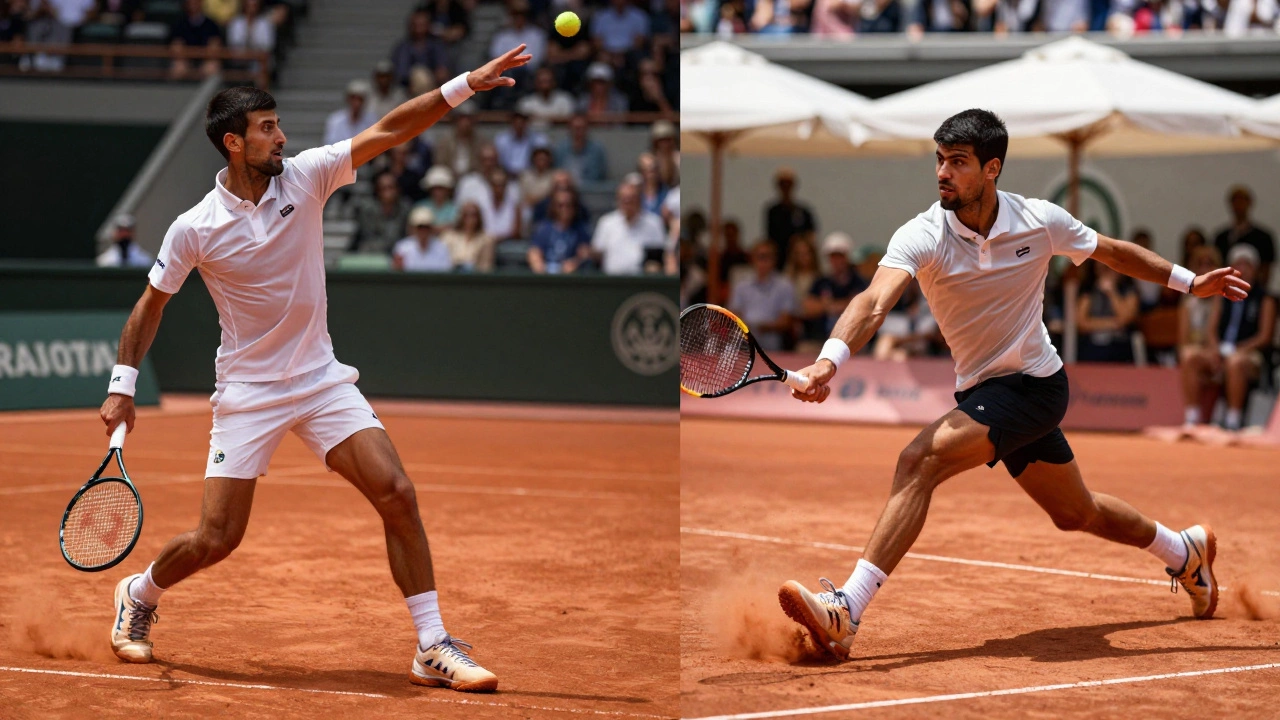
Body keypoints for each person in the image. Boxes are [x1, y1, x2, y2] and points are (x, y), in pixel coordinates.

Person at [98, 45, 530, 690]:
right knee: (217, 538)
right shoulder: (194, 227)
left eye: (278, 125)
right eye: (267, 128)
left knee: (397, 493)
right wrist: (122, 386)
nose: (282, 137)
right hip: (247, 392)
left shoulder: (306, 175)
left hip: (321, 380)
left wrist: (465, 84)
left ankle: (432, 644)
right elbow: (150, 304)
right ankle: (140, 594)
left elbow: (389, 129)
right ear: (233, 144)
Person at [778, 109, 1247, 661]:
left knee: (917, 461)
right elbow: (874, 301)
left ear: (991, 168)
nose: (943, 173)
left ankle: (845, 610)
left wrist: (1189, 282)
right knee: (1077, 514)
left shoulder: (1038, 219)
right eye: (939, 160)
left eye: (958, 162)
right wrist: (828, 361)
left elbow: (1111, 251)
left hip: (1034, 386)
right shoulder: (923, 233)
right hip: (981, 391)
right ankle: (1184, 549)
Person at [1182, 244, 1276, 431]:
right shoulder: (1221, 294)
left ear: (1255, 268)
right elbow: (1211, 330)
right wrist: (1216, 350)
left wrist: (1238, 350)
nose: (1241, 269)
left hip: (1250, 355)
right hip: (1221, 351)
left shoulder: (1265, 299)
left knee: (1234, 362)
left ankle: (1233, 420)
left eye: (1246, 264)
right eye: (1237, 264)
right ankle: (1191, 418)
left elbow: (1265, 337)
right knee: (1190, 356)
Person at [1178, 245, 1223, 427]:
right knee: (1188, 355)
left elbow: (1213, 332)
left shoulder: (1223, 296)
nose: (1205, 268)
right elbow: (1183, 340)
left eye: (1209, 264)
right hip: (1199, 352)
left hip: (1220, 351)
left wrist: (1214, 353)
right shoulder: (1187, 302)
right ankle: (1191, 415)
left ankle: (1230, 416)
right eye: (1200, 264)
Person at [729, 242, 796, 352]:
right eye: (760, 257)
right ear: (752, 259)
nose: (763, 262)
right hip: (744, 339)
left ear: (774, 260)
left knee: (772, 341)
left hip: (773, 339)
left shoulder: (785, 285)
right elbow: (734, 315)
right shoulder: (741, 285)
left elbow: (786, 321)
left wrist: (762, 327)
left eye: (767, 257)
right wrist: (749, 328)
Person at [591, 181, 666, 275]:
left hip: (643, 281)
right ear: (617, 201)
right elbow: (597, 253)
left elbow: (661, 255)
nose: (627, 204)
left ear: (639, 200)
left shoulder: (654, 223)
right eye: (624, 200)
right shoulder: (606, 223)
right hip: (612, 280)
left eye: (631, 200)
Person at [803, 232, 867, 338]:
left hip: (851, 338)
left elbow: (860, 309)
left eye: (840, 256)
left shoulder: (859, 282)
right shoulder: (821, 281)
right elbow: (808, 308)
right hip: (819, 338)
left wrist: (827, 305)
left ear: (848, 256)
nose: (837, 261)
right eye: (833, 256)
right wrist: (841, 305)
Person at [1076, 260, 1140, 363]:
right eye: (1103, 267)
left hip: (1120, 345)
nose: (1108, 270)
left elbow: (1125, 318)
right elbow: (1081, 323)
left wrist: (1112, 292)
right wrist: (1113, 324)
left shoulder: (1128, 288)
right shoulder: (1088, 289)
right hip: (1091, 345)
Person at [1213, 185, 1275, 287]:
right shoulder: (1221, 238)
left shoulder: (1263, 238)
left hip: (1255, 292)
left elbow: (1266, 270)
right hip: (1226, 290)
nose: (1239, 205)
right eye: (1235, 201)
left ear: (1249, 203)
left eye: (1242, 200)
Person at [765, 167, 817, 271]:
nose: (786, 187)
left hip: (801, 263)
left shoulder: (803, 211)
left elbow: (811, 237)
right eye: (783, 184)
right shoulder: (772, 212)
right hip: (779, 263)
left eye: (788, 184)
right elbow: (770, 239)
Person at [528, 188, 591, 273]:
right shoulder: (544, 228)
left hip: (571, 279)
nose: (564, 209)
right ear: (554, 207)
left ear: (574, 207)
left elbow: (585, 253)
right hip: (546, 275)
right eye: (560, 205)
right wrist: (538, 264)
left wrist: (575, 262)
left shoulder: (580, 229)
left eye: (568, 205)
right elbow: (534, 251)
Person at [352, 171, 412, 255]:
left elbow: (406, 236)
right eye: (383, 188)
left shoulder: (405, 209)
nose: (388, 192)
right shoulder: (368, 210)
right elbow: (368, 236)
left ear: (397, 189)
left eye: (391, 187)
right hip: (374, 252)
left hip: (399, 251)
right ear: (378, 191)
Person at [390, 8, 450, 90]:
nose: (418, 30)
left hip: (433, 87)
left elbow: (442, 70)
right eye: (415, 25)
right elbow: (401, 74)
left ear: (428, 26)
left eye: (422, 25)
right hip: (407, 92)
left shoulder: (436, 45)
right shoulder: (403, 48)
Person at [170, 0, 222, 79]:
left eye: (195, 2)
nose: (193, 4)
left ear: (201, 3)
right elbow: (176, 47)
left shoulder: (211, 25)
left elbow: (214, 47)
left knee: (211, 67)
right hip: (185, 60)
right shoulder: (179, 24)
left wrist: (199, 54)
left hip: (206, 60)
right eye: (190, 2)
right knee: (178, 67)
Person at [554, 113, 608, 187]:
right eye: (575, 128)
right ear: (569, 129)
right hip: (565, 190)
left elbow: (597, 176)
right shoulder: (560, 149)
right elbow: (557, 173)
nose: (578, 131)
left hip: (590, 191)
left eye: (581, 128)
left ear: (587, 129)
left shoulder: (597, 150)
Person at [393, 206, 453, 272]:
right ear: (414, 228)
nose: (423, 231)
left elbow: (446, 274)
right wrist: (398, 268)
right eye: (420, 227)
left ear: (431, 228)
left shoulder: (442, 248)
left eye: (426, 227)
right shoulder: (402, 248)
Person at [441, 201, 496, 272]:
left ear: (479, 217)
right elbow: (441, 263)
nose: (470, 219)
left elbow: (486, 266)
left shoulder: (486, 239)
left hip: (476, 278)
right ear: (461, 217)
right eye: (466, 215)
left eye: (473, 215)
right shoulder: (448, 237)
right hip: (451, 276)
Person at [431, 105, 482, 179]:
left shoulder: (480, 142)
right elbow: (440, 163)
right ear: (455, 120)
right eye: (462, 118)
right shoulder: (444, 142)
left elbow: (480, 166)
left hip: (472, 179)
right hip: (448, 178)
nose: (466, 123)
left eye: (469, 119)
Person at [493, 109, 548, 175]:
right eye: (516, 121)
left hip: (531, 175)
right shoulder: (501, 140)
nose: (519, 124)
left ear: (527, 122)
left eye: (522, 121)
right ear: (511, 122)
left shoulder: (539, 140)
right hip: (506, 174)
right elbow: (498, 162)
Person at [324, 80, 377, 147]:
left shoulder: (371, 120)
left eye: (359, 99)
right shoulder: (335, 120)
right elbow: (330, 144)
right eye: (353, 98)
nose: (356, 103)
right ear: (347, 99)